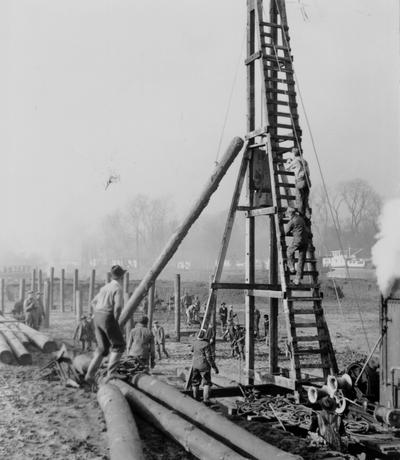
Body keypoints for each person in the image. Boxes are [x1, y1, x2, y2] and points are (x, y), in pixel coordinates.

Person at [84, 265, 126, 383]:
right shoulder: (118, 288)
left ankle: (90, 375)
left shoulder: (105, 287)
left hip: (97, 317)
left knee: (103, 348)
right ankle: (112, 373)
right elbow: (118, 307)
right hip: (107, 317)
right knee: (119, 345)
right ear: (122, 276)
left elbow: (93, 302)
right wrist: (115, 320)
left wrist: (96, 313)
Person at [192, 329, 219, 404]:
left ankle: (195, 398)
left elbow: (192, 350)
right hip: (204, 366)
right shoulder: (206, 344)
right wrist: (214, 367)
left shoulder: (194, 343)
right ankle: (206, 400)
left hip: (195, 365)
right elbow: (209, 358)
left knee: (195, 382)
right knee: (206, 382)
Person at [285, 207, 309, 285]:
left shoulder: (292, 221)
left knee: (289, 251)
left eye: (288, 214)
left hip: (298, 240)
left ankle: (291, 267)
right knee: (301, 260)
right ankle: (298, 279)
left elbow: (286, 232)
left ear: (290, 213)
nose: (287, 215)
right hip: (305, 241)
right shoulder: (301, 219)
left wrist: (292, 232)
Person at [285, 147, 311, 217]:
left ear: (294, 154)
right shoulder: (305, 161)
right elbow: (308, 172)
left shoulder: (296, 161)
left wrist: (288, 161)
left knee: (299, 200)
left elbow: (287, 167)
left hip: (300, 181)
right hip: (307, 181)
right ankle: (307, 214)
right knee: (305, 199)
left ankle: (301, 216)